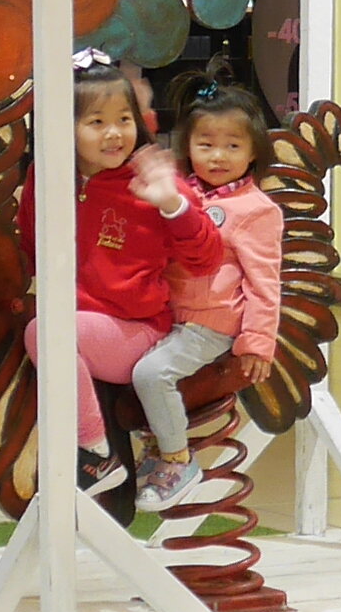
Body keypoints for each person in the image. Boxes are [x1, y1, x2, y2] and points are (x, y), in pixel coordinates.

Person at [16, 51, 223, 503]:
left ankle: (95, 453)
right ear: (60, 129)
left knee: (46, 332)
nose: (114, 133)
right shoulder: (46, 176)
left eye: (124, 118)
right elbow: (32, 247)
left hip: (138, 331)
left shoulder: (150, 179)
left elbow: (207, 257)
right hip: (82, 325)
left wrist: (171, 203)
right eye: (96, 122)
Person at [133, 62, 284, 512]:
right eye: (206, 145)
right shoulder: (182, 194)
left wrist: (258, 341)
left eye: (232, 146)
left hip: (211, 325)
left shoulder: (256, 210)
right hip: (164, 314)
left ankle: (179, 459)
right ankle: (148, 449)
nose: (218, 156)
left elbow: (264, 281)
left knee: (150, 373)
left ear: (253, 152)